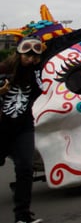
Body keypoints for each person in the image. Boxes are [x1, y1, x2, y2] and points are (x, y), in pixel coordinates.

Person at [0, 37, 45, 223]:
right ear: (19, 53)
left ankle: (22, 215)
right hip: (2, 126)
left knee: (25, 168)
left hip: (23, 125)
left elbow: (41, 90)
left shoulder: (34, 72)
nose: (30, 59)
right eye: (27, 55)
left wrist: (36, 71)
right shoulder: (4, 69)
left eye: (34, 56)